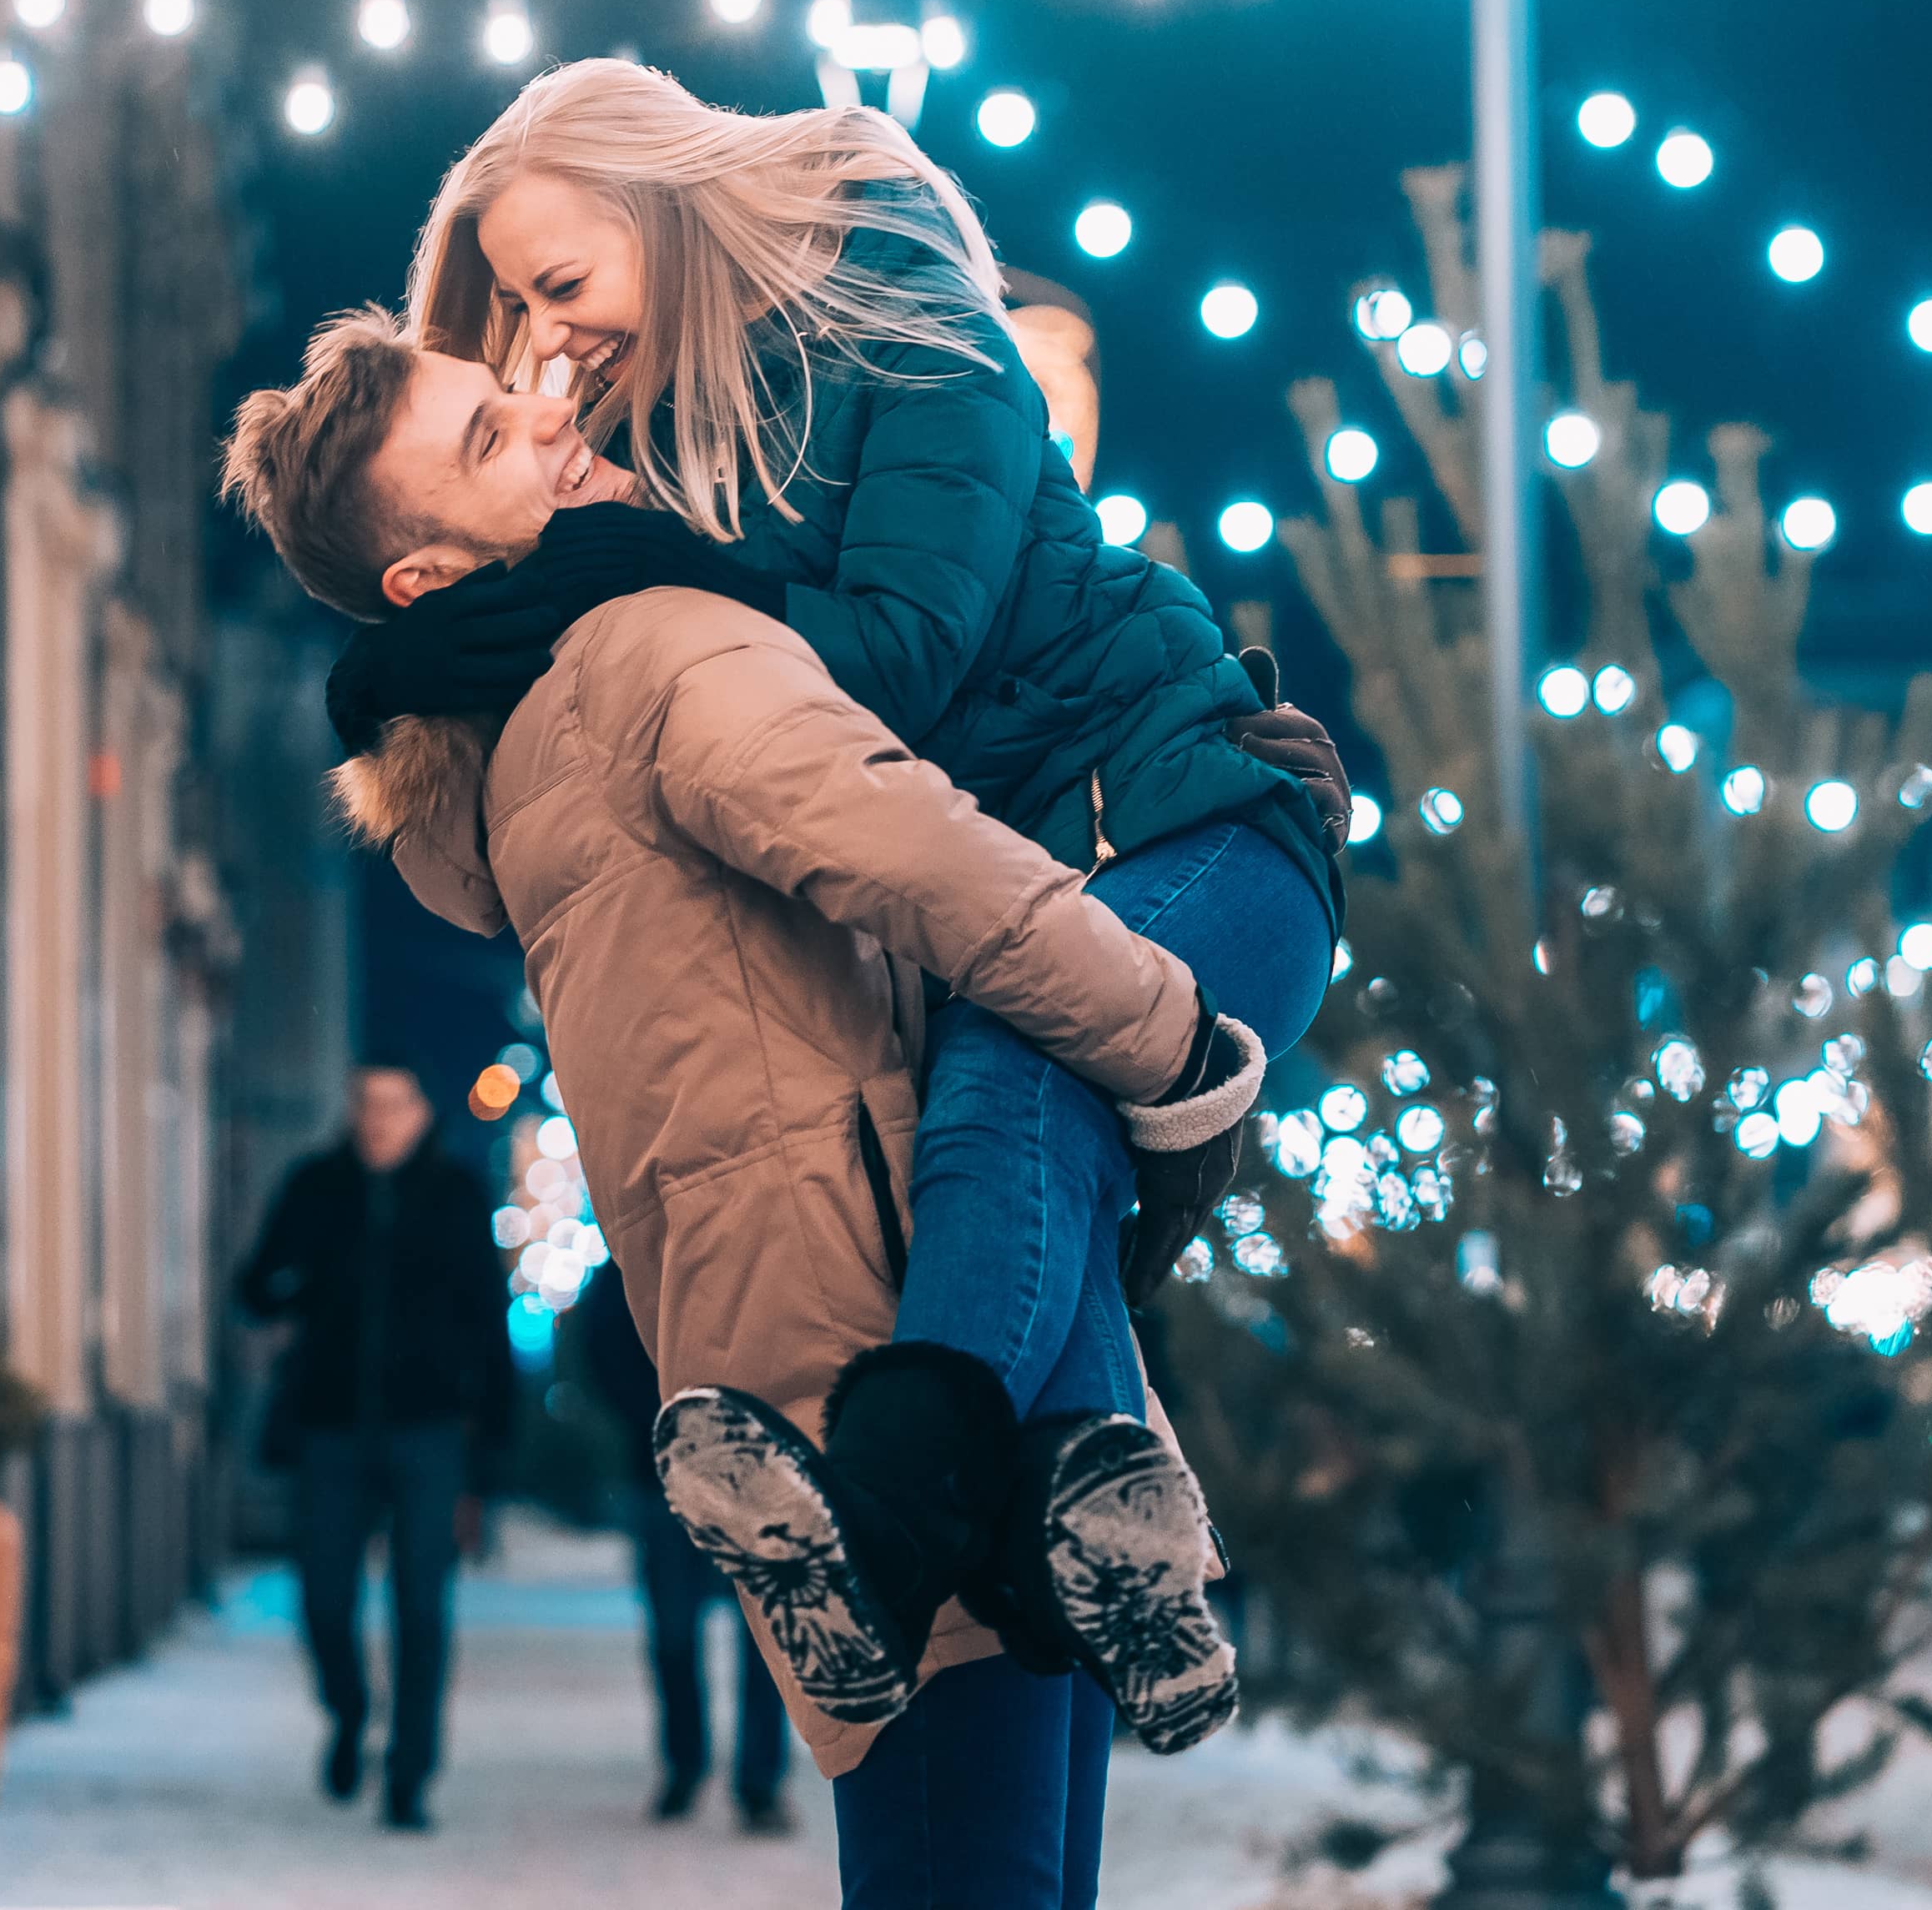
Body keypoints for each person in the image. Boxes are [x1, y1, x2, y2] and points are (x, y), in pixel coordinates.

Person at [227, 309, 1345, 1907]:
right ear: (424, 579)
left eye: (516, 393)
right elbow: (931, 863)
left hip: (778, 1356)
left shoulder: (508, 763)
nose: (548, 420)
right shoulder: (648, 642)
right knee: (993, 1868)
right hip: (938, 1344)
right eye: (487, 440)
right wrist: (1170, 1037)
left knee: (947, 1864)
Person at [233, 1064, 516, 1830]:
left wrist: (490, 1444)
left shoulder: (454, 1192)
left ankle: (411, 1774)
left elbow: (488, 1319)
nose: (379, 1119)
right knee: (323, 1598)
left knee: (422, 1606)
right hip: (330, 1424)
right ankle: (351, 1710)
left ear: (423, 1112)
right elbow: (257, 1285)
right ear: (350, 1110)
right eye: (366, 1103)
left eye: (395, 1104)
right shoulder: (316, 1184)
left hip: (428, 1430)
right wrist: (309, 1292)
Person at [574, 1269, 794, 1835]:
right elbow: (601, 1340)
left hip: (755, 1468)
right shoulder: (637, 1249)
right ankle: (685, 1764)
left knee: (764, 1638)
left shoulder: (759, 1236)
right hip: (665, 1469)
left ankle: (759, 1782)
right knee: (674, 1631)